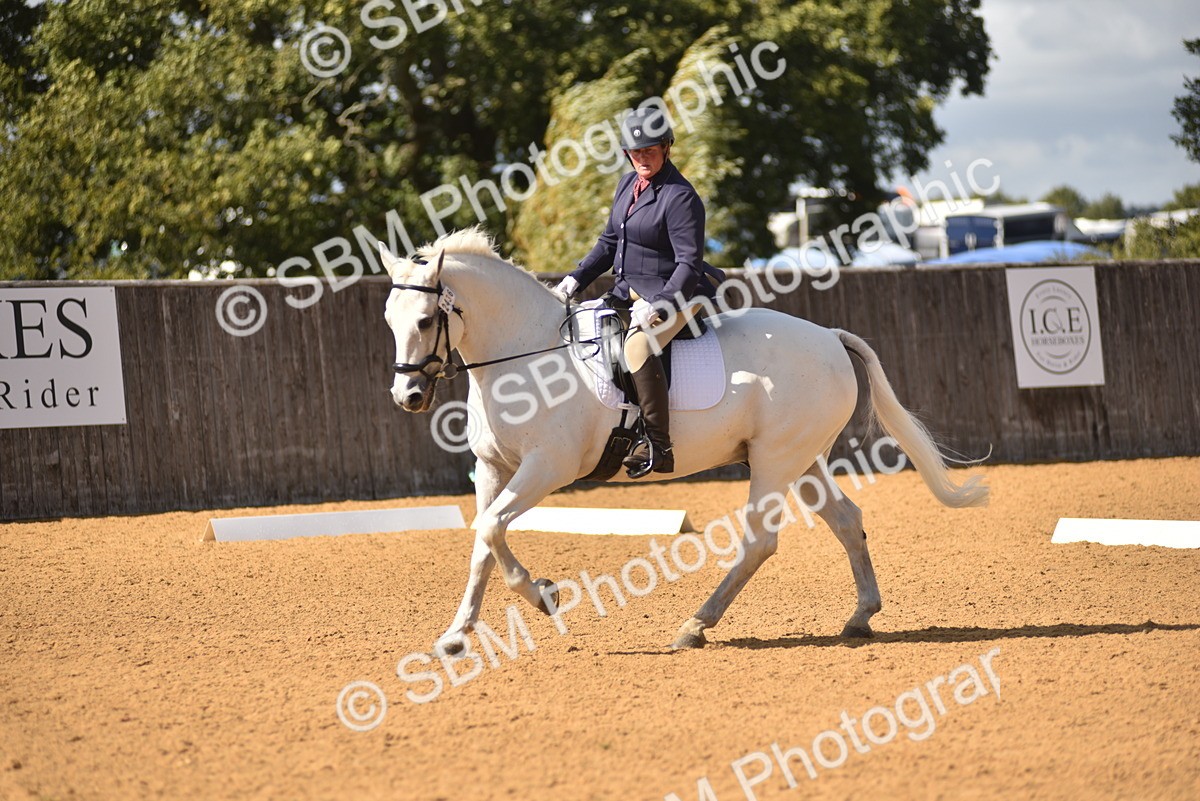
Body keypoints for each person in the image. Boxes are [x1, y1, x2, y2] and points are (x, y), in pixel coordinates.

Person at [555, 105, 717, 478]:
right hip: (628, 291)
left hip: (679, 293)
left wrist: (661, 305)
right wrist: (576, 278)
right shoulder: (628, 185)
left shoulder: (680, 197)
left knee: (638, 346)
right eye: (635, 152)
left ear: (667, 148)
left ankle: (659, 445)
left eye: (649, 150)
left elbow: (689, 264)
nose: (642, 158)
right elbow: (610, 241)